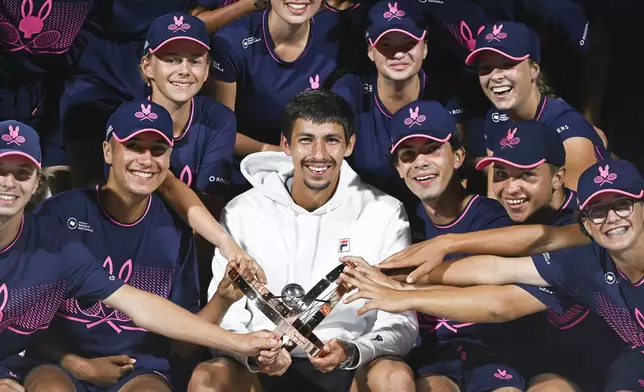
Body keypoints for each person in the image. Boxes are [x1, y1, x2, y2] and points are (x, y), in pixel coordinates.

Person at [0, 119, 281, 391]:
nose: (9, 183)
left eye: (22, 173)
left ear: (37, 181)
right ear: (108, 151)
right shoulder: (59, 220)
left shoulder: (58, 247)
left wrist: (238, 342)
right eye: (0, 170)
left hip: (138, 368)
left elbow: (141, 305)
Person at [343, 158, 644, 391]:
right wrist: (398, 283)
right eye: (598, 211)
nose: (612, 218)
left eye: (623, 204)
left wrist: (409, 285)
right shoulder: (584, 260)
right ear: (586, 225)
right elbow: (497, 273)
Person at [187, 89, 418, 392]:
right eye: (306, 139)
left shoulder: (385, 212)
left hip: (350, 366)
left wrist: (353, 351)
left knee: (394, 377)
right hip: (261, 367)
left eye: (332, 140)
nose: (318, 154)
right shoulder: (243, 210)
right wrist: (253, 352)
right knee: (208, 379)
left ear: (349, 145)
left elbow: (401, 320)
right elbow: (226, 313)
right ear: (286, 144)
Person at [386, 100, 554, 392]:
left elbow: (500, 300)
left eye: (433, 149)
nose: (421, 162)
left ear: (459, 155)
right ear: (399, 168)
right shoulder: (397, 220)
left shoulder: (493, 218)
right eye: (408, 155)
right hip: (432, 357)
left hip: (493, 353)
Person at [59, 0, 267, 188]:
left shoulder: (216, 117)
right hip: (95, 84)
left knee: (160, 170)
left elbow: (193, 23)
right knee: (96, 193)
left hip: (160, 76)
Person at [209, 0, 351, 196]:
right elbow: (220, 132)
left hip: (310, 166)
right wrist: (275, 152)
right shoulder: (232, 40)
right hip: (243, 171)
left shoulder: (338, 33)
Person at [331, 0, 465, 206]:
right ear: (370, 51)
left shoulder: (445, 93)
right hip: (365, 208)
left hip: (431, 208)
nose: (398, 53)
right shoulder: (350, 90)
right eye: (386, 44)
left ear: (425, 47)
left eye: (408, 43)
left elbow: (458, 175)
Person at [466, 21, 607, 192]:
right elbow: (496, 201)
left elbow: (578, 217)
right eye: (486, 68)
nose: (495, 76)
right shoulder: (495, 120)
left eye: (507, 64)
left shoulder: (570, 139)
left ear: (534, 70)